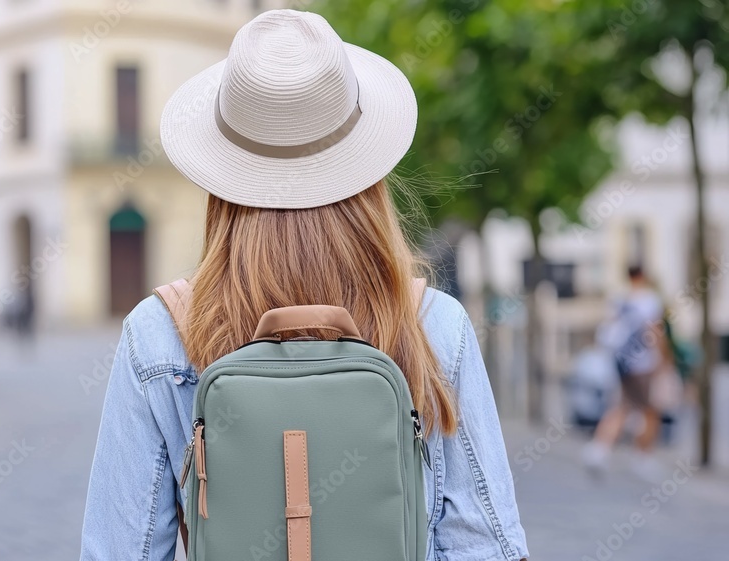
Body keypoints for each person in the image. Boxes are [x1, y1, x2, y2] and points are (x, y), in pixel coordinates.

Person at [80, 10, 528, 561]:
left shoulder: (158, 334)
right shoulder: (435, 324)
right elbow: (485, 548)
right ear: (367, 171)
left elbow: (120, 552)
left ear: (221, 180)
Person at [583, 265, 670, 480]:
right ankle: (643, 457)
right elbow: (655, 332)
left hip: (621, 362)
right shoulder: (649, 299)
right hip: (642, 364)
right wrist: (665, 359)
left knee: (623, 407)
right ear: (643, 275)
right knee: (651, 410)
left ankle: (599, 450)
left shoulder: (619, 299)